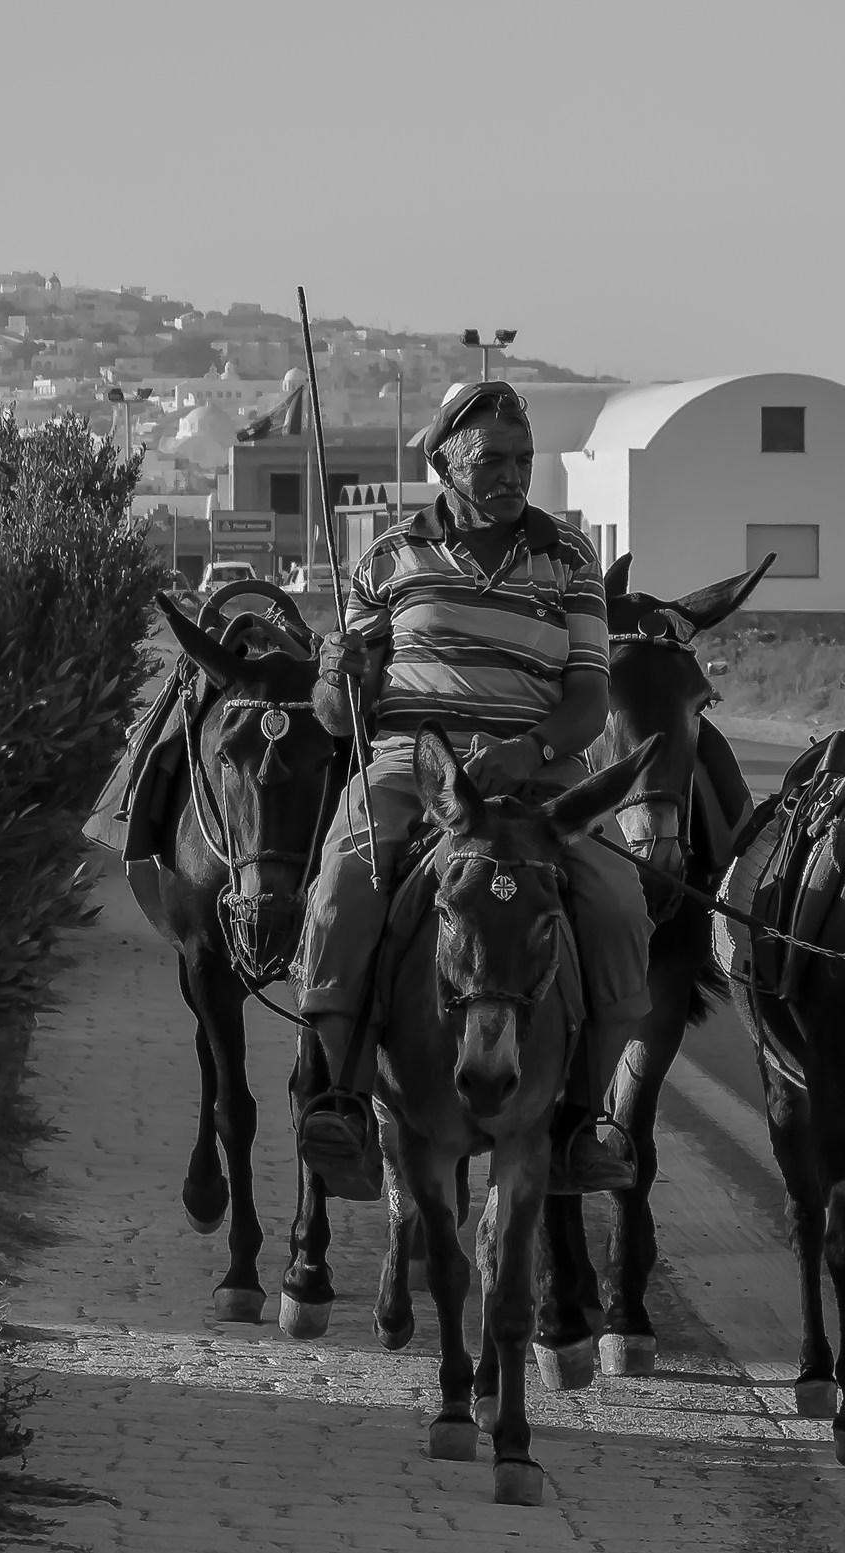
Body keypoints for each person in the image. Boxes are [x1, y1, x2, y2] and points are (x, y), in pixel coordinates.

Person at [294, 379, 651, 1200]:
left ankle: (578, 1122)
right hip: (410, 771)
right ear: (445, 464)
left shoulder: (570, 557)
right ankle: (339, 1095)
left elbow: (590, 698)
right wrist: (335, 677)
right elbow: (336, 715)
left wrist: (530, 750)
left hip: (539, 777)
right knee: (344, 890)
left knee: (619, 906)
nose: (513, 474)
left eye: (523, 459)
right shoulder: (386, 558)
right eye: (493, 459)